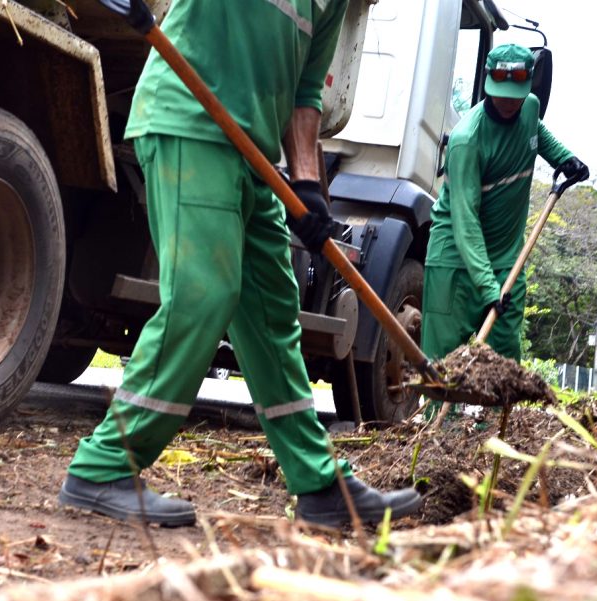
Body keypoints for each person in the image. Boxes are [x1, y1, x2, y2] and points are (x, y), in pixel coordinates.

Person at [56, 0, 422, 528]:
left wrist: (308, 187)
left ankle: (318, 484)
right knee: (204, 295)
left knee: (274, 316)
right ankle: (104, 466)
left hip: (253, 156)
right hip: (188, 122)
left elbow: (304, 95)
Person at [421, 43, 590, 363]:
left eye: (517, 93)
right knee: (441, 361)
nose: (510, 102)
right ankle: (433, 415)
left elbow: (535, 131)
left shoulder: (529, 107)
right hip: (455, 262)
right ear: (488, 82)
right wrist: (487, 287)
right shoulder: (467, 140)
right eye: (502, 92)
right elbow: (465, 221)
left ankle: (493, 416)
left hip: (507, 260)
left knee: (504, 361)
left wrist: (564, 158)